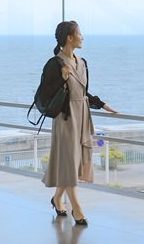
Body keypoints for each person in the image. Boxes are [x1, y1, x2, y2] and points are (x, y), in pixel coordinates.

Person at [41, 20, 117, 226]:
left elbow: (82, 92)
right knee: (68, 162)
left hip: (82, 115)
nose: (82, 37)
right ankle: (77, 209)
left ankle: (57, 199)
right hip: (66, 119)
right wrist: (61, 78)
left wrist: (101, 104)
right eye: (79, 34)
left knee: (73, 163)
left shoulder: (82, 62)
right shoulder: (54, 64)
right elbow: (43, 93)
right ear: (69, 37)